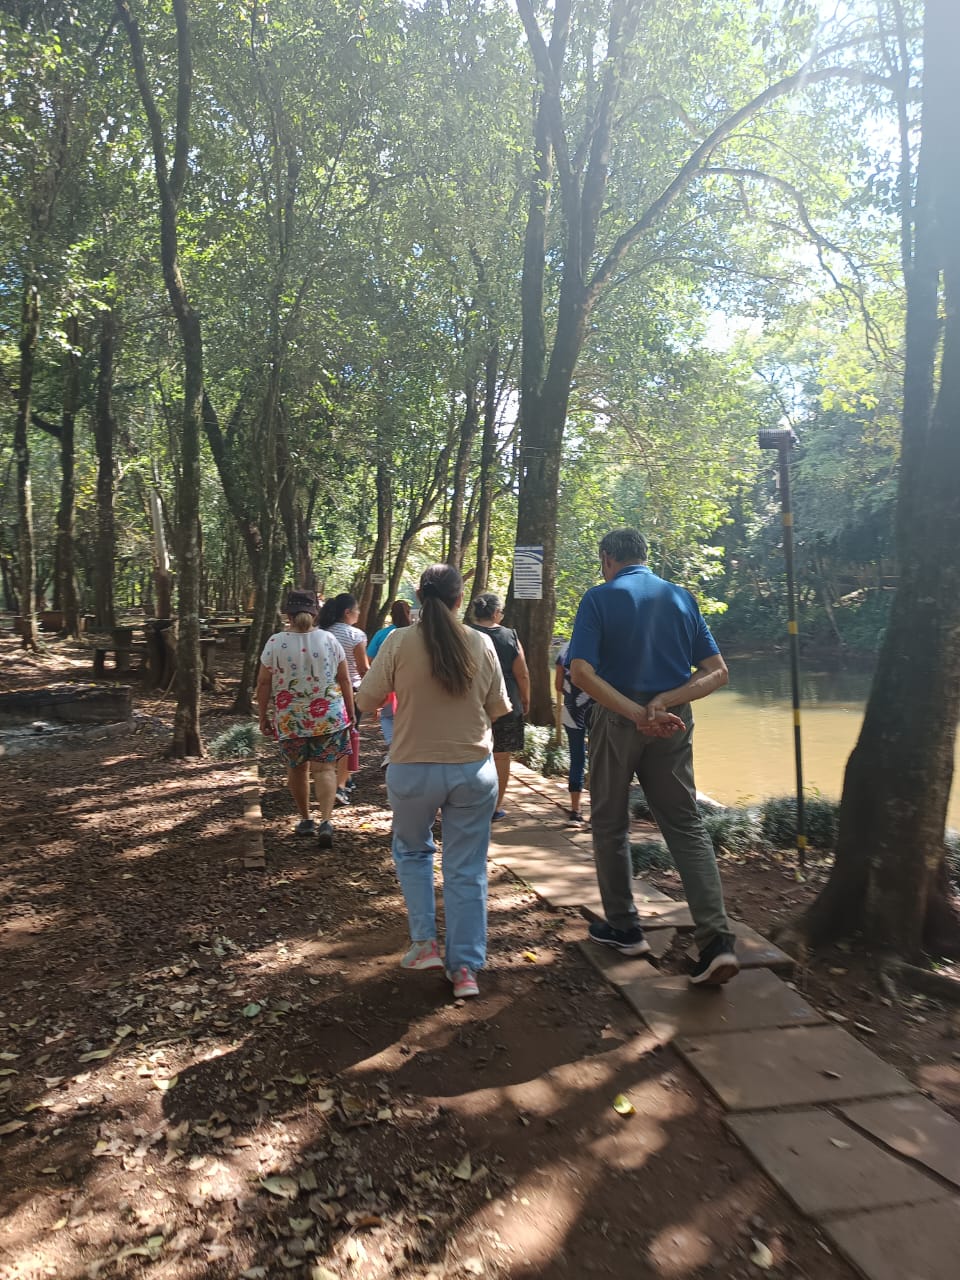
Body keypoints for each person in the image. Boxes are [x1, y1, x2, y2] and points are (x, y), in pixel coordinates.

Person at [568, 527, 738, 986]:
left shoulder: (599, 598)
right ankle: (717, 941)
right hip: (674, 724)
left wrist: (634, 712)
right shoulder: (681, 598)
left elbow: (580, 671)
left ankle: (625, 928)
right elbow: (718, 672)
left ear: (607, 559)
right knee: (685, 825)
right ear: (645, 556)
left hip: (619, 722)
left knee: (609, 823)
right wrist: (666, 701)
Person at [356, 564, 511, 1000]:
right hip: (473, 771)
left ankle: (424, 943)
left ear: (421, 598)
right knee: (466, 868)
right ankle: (465, 971)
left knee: (412, 850)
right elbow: (498, 708)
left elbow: (366, 699)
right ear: (460, 599)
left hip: (412, 769)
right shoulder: (481, 642)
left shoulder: (399, 641)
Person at [257, 588, 354, 850]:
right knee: (325, 769)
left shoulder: (276, 642)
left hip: (291, 717)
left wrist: (263, 714)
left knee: (297, 769)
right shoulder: (329, 640)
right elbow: (344, 679)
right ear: (315, 612)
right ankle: (326, 820)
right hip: (328, 716)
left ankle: (305, 819)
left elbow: (264, 682)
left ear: (287, 613)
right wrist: (351, 711)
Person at [468, 593, 530, 820]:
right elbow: (522, 673)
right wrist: (525, 699)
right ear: (495, 613)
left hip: (473, 702)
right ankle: (495, 807)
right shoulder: (510, 636)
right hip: (507, 702)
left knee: (472, 754)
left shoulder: (465, 634)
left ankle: (472, 804)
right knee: (502, 756)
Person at [320, 593, 369, 803]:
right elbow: (362, 668)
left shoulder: (321, 633)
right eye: (357, 610)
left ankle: (338, 778)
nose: (359, 613)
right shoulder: (355, 635)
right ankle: (340, 785)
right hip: (351, 691)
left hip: (325, 692)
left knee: (331, 736)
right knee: (349, 736)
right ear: (347, 612)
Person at [554, 640, 592, 826]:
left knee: (577, 759)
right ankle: (598, 813)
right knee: (600, 760)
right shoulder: (602, 647)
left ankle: (575, 812)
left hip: (572, 712)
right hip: (599, 711)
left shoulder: (566, 649)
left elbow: (558, 684)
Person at [367, 600, 413, 748]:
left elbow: (369, 659)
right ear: (409, 613)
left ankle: (392, 747)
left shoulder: (382, 634)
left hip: (388, 683)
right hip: (412, 683)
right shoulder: (416, 633)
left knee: (387, 717)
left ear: (391, 615)